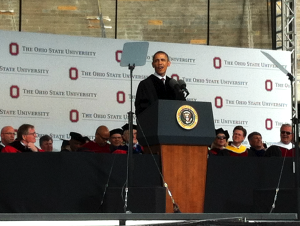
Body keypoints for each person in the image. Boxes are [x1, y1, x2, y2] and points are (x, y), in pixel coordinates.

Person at [135, 51, 186, 116]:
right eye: (156, 61)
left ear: (168, 63)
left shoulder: (174, 84)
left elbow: (182, 106)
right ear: (153, 64)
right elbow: (141, 109)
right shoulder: (145, 84)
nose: (160, 63)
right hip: (153, 123)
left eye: (163, 60)